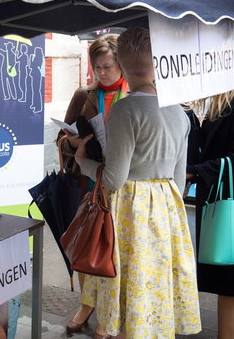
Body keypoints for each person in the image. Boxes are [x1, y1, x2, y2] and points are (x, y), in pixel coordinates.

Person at [75, 27, 201, 338]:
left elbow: (115, 179)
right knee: (151, 286)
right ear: (158, 63)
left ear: (123, 65)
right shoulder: (180, 113)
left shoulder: (125, 110)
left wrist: (83, 162)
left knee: (126, 283)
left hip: (128, 212)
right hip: (165, 211)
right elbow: (178, 178)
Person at [58, 34, 128, 334]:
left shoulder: (135, 95)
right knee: (87, 244)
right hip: (89, 182)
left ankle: (114, 310)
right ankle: (87, 305)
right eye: (97, 66)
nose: (101, 73)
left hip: (124, 185)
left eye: (108, 66)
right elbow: (61, 138)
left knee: (117, 250)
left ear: (122, 65)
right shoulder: (82, 94)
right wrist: (71, 141)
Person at [186, 90, 234, 339]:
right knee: (224, 274)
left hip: (227, 199)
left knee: (228, 278)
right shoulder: (198, 100)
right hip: (217, 196)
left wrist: (195, 172)